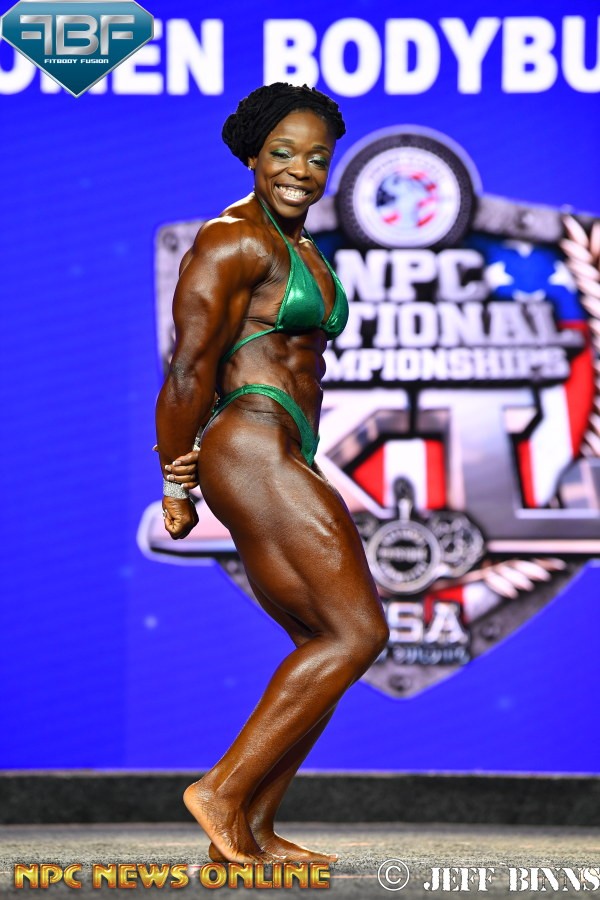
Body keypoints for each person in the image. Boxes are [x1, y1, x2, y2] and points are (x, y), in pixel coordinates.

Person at [155, 83, 389, 865]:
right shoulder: (232, 240)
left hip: (284, 444)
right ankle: (221, 791)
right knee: (359, 632)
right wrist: (175, 484)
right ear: (253, 155)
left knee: (321, 640)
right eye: (283, 153)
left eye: (317, 157)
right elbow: (188, 367)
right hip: (249, 442)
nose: (300, 169)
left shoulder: (302, 246)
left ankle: (252, 827)